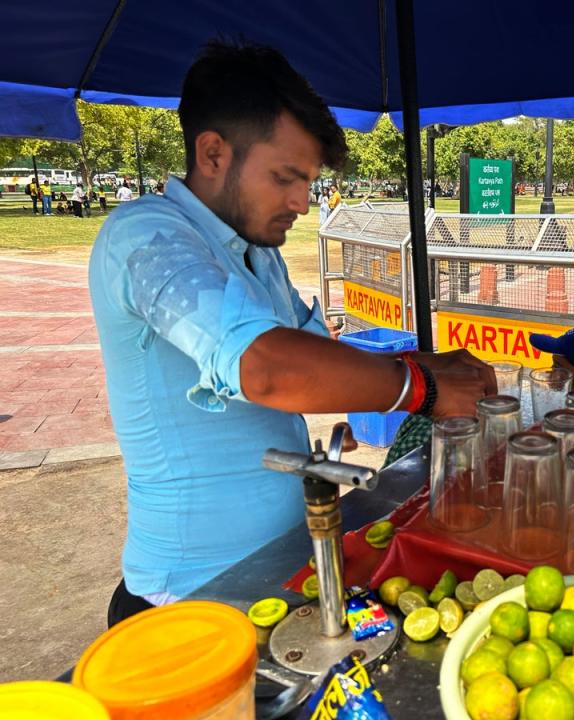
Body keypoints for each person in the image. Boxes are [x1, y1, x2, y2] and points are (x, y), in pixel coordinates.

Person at [89, 40, 495, 626]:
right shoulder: (146, 238)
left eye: (307, 181)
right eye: (285, 177)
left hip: (279, 575)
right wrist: (420, 388)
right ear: (212, 155)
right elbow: (267, 367)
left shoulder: (256, 253)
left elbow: (318, 356)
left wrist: (426, 364)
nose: (303, 203)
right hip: (186, 604)